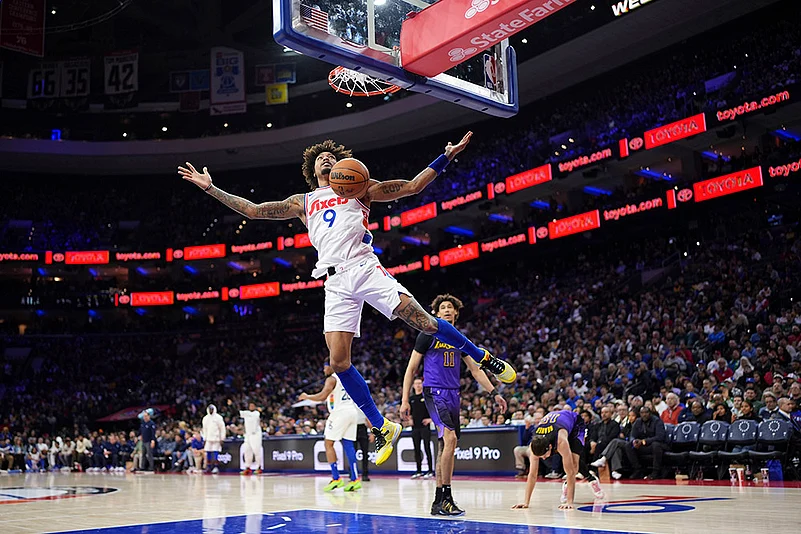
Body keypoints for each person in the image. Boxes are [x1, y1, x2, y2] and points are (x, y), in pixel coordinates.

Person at [179, 133, 517, 465]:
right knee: (338, 362)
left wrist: (446, 156)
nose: (326, 159)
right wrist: (210, 187)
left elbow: (413, 185)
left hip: (364, 267)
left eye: (332, 157)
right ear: (312, 170)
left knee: (424, 322)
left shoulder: (362, 188)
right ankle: (383, 426)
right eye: (319, 159)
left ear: (343, 165)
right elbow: (253, 210)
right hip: (334, 281)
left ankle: (482, 357)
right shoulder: (303, 202)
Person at [401, 293, 508, 516]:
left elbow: (476, 369)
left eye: (450, 307)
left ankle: (438, 500)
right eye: (443, 308)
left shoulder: (460, 340)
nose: (447, 310)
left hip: (453, 395)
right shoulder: (427, 334)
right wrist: (404, 400)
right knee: (449, 439)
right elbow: (411, 369)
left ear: (456, 314)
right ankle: (447, 497)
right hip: (434, 392)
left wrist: (494, 393)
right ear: (436, 314)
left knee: (445, 446)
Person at [513, 410, 604, 511]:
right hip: (557, 423)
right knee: (570, 466)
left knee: (573, 466)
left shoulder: (561, 442)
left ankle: (589, 480)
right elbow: (532, 474)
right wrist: (526, 502)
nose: (543, 458)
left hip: (575, 424)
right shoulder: (533, 446)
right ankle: (571, 484)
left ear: (550, 447)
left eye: (544, 455)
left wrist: (569, 502)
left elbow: (570, 473)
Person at [299, 364, 363, 492]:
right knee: (348, 444)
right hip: (352, 411)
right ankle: (355, 479)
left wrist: (307, 397)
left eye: (325, 367)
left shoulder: (332, 379)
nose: (324, 369)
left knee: (328, 444)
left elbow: (322, 396)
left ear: (332, 366)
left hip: (340, 413)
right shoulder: (347, 377)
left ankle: (336, 478)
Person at [623, 406, 666, 480]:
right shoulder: (638, 421)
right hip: (643, 446)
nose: (644, 414)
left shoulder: (657, 421)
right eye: (642, 413)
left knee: (656, 445)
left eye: (646, 412)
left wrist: (643, 441)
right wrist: (634, 441)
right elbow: (632, 435)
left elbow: (660, 437)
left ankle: (656, 472)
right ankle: (638, 470)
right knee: (628, 445)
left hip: (656, 445)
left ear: (650, 413)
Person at [407, 378, 434, 479]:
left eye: (419, 383)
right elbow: (408, 412)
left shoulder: (427, 397)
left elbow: (434, 410)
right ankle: (418, 471)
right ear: (413, 386)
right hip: (415, 427)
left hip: (425, 427)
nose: (418, 385)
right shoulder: (411, 398)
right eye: (416, 384)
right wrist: (409, 419)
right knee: (416, 449)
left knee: (427, 448)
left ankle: (430, 470)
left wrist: (430, 419)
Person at [239, 402, 264, 475]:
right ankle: (247, 467)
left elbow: (261, 415)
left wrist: (260, 410)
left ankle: (259, 467)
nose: (251, 407)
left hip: (255, 434)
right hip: (248, 435)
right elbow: (238, 413)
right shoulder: (246, 413)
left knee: (256, 451)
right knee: (247, 451)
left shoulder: (257, 413)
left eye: (253, 405)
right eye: (250, 405)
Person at [202, 404, 226, 474]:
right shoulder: (205, 418)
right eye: (210, 409)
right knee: (208, 452)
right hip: (208, 438)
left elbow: (222, 428)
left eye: (212, 409)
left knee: (215, 452)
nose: (211, 410)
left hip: (216, 438)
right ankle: (209, 467)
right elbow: (204, 429)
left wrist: (222, 438)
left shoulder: (218, 417)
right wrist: (204, 438)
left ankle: (215, 467)